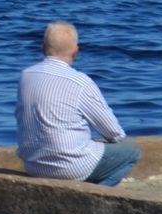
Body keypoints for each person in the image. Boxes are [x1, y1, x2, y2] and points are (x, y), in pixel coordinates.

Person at [16, 22, 140, 187]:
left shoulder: (26, 75)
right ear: (76, 52)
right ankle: (96, 193)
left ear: (43, 47)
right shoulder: (80, 82)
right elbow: (114, 133)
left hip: (33, 165)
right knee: (132, 151)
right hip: (70, 168)